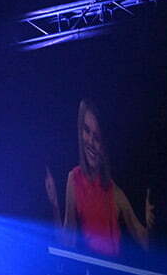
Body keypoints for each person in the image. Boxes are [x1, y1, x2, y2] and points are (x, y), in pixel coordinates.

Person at [43, 97, 153, 257]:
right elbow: (68, 242)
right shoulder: (74, 179)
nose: (91, 142)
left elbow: (145, 243)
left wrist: (150, 223)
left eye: (98, 137)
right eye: (86, 131)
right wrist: (54, 204)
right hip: (89, 274)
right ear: (80, 132)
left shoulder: (115, 192)